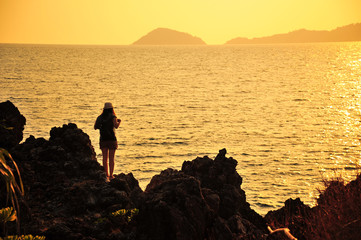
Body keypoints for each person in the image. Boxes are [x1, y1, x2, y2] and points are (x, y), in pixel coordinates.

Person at [94, 102, 121, 181]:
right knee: (111, 158)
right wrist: (119, 122)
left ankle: (106, 175)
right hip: (112, 139)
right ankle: (111, 175)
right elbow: (116, 126)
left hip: (103, 139)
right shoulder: (113, 116)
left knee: (104, 158)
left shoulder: (100, 117)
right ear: (111, 109)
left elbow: (95, 127)